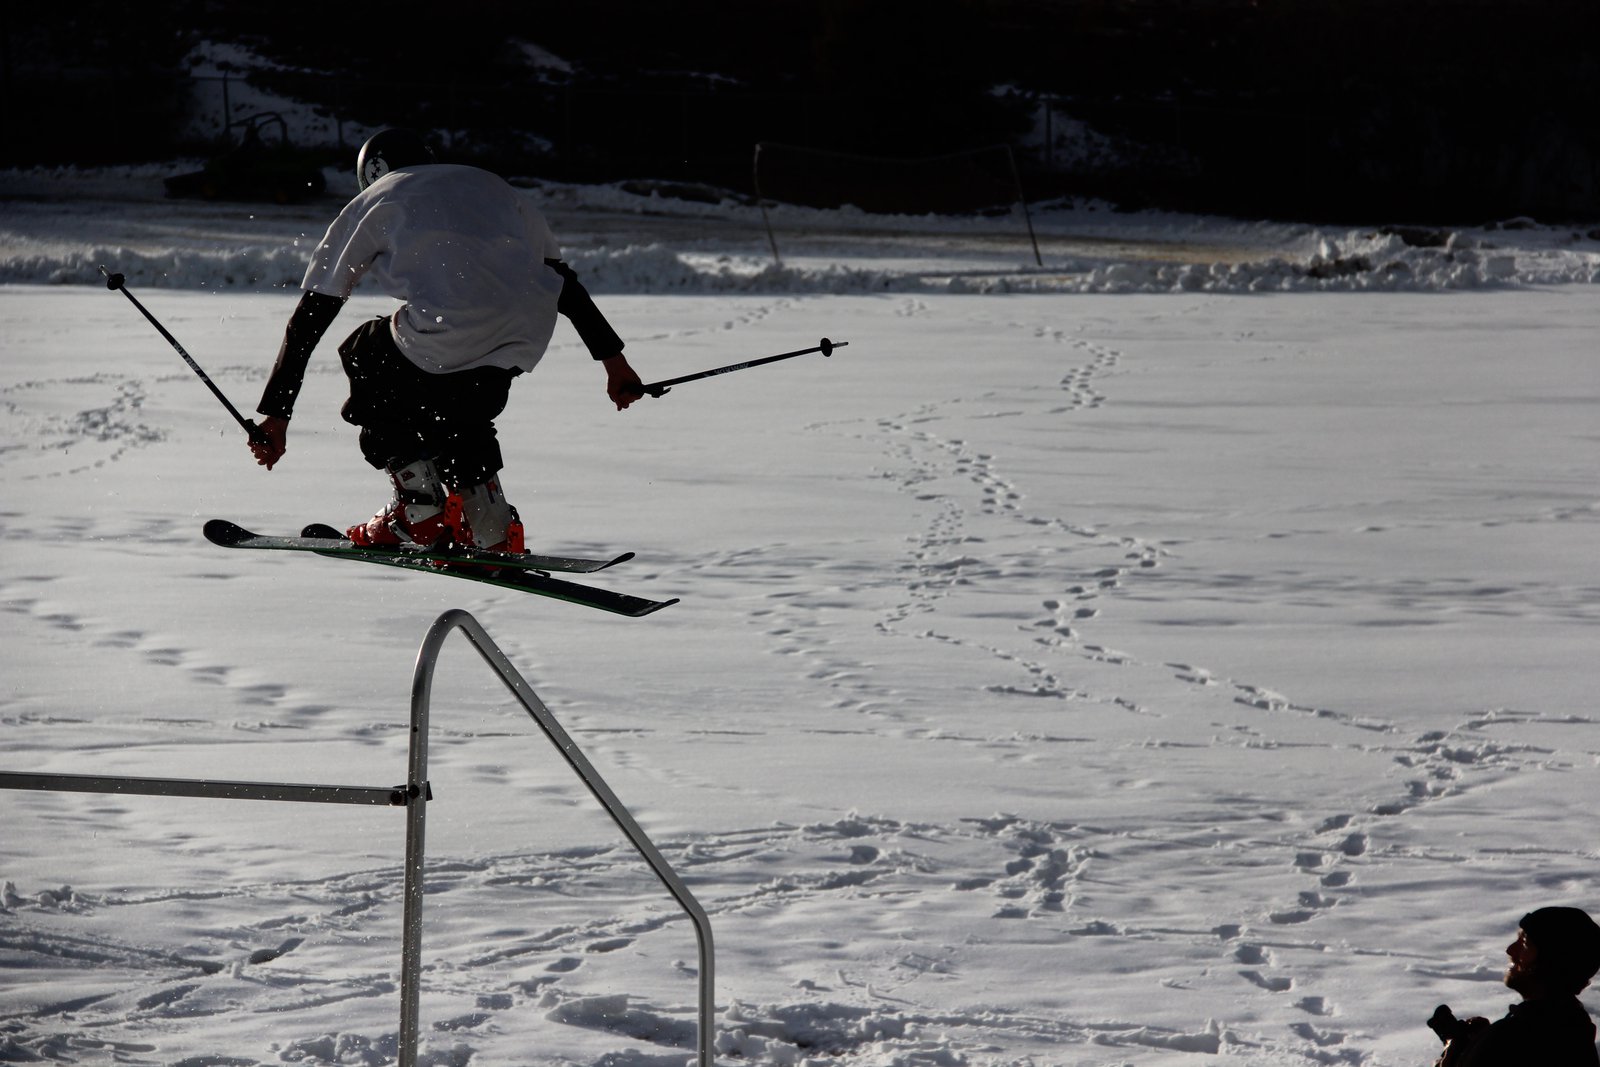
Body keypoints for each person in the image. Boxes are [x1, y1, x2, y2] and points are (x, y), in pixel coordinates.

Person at [249, 127, 642, 553]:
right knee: (462, 406)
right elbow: (561, 281)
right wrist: (614, 363)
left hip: (451, 324)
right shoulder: (493, 187)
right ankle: (491, 528)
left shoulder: (376, 198)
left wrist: (277, 413)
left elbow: (312, 315)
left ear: (371, 173)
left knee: (365, 352)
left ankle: (419, 510)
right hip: (524, 332)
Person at [1429, 906, 1600, 1066]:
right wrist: (1476, 1044)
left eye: (1524, 943)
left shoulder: (1514, 1037)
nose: (1510, 950)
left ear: (1552, 962)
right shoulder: (1573, 1028)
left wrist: (1456, 1055)